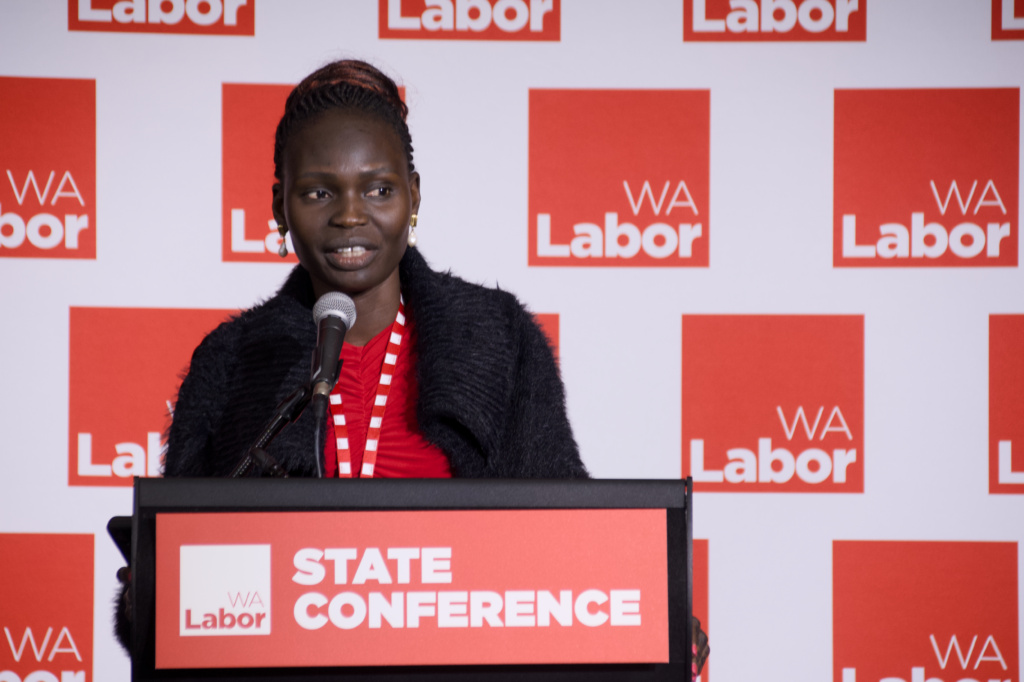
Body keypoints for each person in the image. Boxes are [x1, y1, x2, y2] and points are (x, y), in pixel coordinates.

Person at [164, 59, 586, 480]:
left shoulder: (500, 339)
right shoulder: (229, 362)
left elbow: (558, 510)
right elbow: (180, 521)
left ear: (413, 197)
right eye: (319, 193)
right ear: (280, 209)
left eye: (379, 190)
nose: (350, 215)